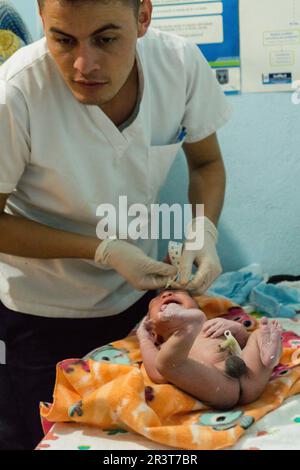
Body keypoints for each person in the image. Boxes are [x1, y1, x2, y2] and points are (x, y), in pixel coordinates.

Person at [0, 0, 230, 448]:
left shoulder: (179, 65)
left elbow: (206, 164)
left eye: (106, 39)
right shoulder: (16, 93)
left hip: (135, 307)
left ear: (143, 17)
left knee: (136, 442)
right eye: (63, 40)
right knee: (43, 437)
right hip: (40, 312)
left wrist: (204, 231)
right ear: (43, 22)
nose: (84, 64)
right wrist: (101, 250)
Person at [137, 289, 282, 410]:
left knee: (259, 334)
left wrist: (237, 329)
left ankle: (270, 356)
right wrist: (144, 340)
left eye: (177, 292)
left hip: (250, 374)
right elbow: (157, 373)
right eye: (156, 301)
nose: (166, 294)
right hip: (219, 387)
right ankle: (187, 328)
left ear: (198, 309)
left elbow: (244, 343)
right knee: (164, 364)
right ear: (155, 334)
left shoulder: (214, 324)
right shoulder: (166, 347)